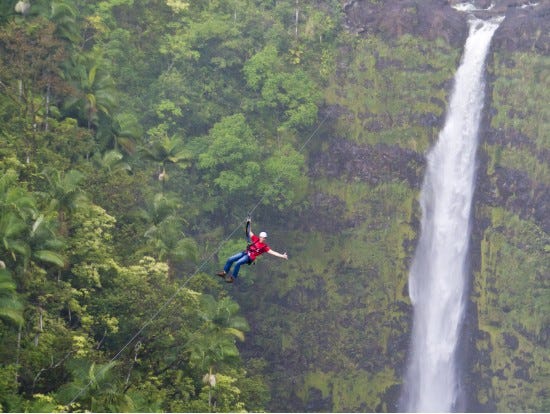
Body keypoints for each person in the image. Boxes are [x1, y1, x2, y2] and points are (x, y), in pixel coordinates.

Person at [217, 218, 288, 283]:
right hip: (245, 253)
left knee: (238, 263)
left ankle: (232, 278)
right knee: (230, 259)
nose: (264, 239)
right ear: (260, 237)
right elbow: (249, 231)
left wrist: (282, 256)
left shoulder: (264, 247)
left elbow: (273, 252)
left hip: (249, 257)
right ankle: (224, 273)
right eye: (263, 238)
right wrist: (249, 222)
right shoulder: (255, 239)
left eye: (265, 238)